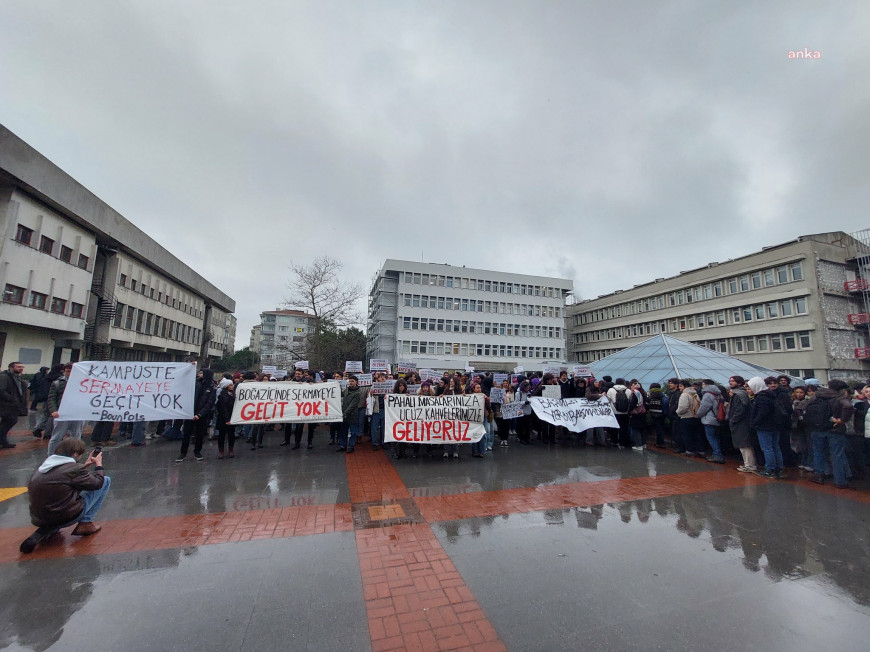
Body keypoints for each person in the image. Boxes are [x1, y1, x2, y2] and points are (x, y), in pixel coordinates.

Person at [19, 438, 110, 553]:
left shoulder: (45, 466)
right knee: (105, 480)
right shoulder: (74, 469)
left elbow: (63, 480)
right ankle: (86, 523)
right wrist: (99, 465)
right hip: (64, 515)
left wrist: (83, 466)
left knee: (57, 506)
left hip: (38, 517)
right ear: (75, 454)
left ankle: (47, 530)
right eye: (80, 455)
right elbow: (97, 483)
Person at [807, 379, 854, 488]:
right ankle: (840, 481)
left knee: (818, 452)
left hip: (817, 428)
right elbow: (848, 406)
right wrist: (842, 420)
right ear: (841, 389)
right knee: (837, 455)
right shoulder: (840, 397)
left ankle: (819, 475)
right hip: (835, 429)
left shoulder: (817, 395)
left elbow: (806, 407)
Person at [176, 369, 216, 462]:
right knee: (186, 434)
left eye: (202, 373)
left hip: (202, 415)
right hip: (190, 414)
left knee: (200, 434)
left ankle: (197, 452)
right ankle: (183, 453)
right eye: (199, 373)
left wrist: (200, 414)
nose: (199, 374)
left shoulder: (212, 387)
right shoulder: (195, 384)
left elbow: (210, 403)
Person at [748, 376, 784, 479]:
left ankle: (770, 469)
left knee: (767, 448)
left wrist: (754, 423)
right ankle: (778, 468)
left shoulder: (762, 397)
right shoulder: (771, 395)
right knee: (775, 447)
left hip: (765, 426)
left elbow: (762, 413)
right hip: (775, 425)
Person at [46, 364, 85, 456]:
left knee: (76, 437)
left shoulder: (83, 382)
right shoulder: (58, 383)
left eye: (72, 371)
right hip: (62, 414)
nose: (70, 373)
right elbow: (51, 398)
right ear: (64, 371)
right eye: (68, 371)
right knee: (57, 437)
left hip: (78, 413)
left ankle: (73, 456)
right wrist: (53, 410)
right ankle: (51, 456)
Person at [727, 376, 756, 473]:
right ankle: (748, 464)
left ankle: (749, 465)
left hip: (741, 423)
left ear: (739, 383)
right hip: (741, 422)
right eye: (730, 381)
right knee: (743, 444)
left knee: (744, 444)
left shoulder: (739, 394)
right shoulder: (740, 393)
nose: (730, 383)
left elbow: (740, 410)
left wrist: (733, 420)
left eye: (733, 381)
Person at [0, 361, 28, 448]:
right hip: (6, 405)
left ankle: (3, 440)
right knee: (10, 420)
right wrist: (11, 399)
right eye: (18, 367)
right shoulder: (5, 376)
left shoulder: (18, 378)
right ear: (11, 368)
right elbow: (1, 390)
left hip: (13, 405)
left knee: (9, 422)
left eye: (22, 367)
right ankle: (3, 440)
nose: (21, 368)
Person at [698, 379, 725, 463]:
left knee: (711, 438)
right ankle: (716, 454)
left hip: (709, 419)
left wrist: (698, 414)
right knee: (716, 438)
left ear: (705, 384)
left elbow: (704, 408)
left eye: (702, 384)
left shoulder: (707, 395)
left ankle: (717, 456)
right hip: (718, 418)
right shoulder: (718, 394)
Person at [675, 379, 703, 457]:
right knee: (697, 435)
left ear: (685, 386)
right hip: (696, 416)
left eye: (680, 386)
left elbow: (683, 407)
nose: (679, 388)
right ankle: (700, 450)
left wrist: (678, 412)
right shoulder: (695, 394)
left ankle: (689, 451)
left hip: (687, 417)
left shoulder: (684, 394)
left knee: (687, 435)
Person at [338, 375, 361, 453]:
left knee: (353, 432)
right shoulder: (347, 390)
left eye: (352, 381)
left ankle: (351, 446)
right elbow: (341, 395)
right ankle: (343, 445)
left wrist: (345, 413)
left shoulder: (358, 392)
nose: (350, 383)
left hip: (352, 415)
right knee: (343, 431)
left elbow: (353, 405)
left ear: (356, 382)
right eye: (349, 381)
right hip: (344, 414)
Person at [28, 366, 51, 438]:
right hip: (40, 390)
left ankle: (33, 407)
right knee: (36, 400)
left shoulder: (42, 375)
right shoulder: (43, 376)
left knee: (36, 400)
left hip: (39, 390)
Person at [216, 379, 236, 458]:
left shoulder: (233, 395)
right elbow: (223, 409)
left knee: (231, 434)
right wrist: (227, 419)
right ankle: (221, 451)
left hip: (232, 417)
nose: (232, 386)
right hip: (223, 418)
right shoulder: (221, 396)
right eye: (230, 385)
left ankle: (231, 450)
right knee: (222, 435)